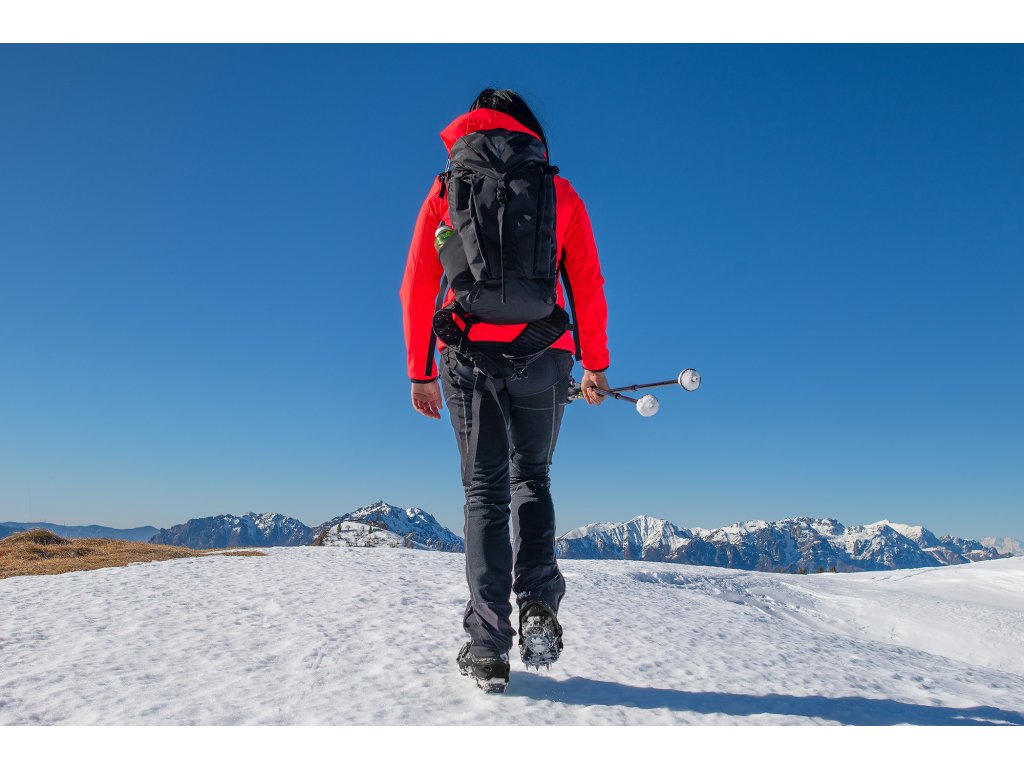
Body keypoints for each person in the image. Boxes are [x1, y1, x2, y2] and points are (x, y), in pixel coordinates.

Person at [400, 88, 610, 692]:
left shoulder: (446, 190)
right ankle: (538, 601)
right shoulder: (557, 190)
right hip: (546, 353)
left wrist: (420, 370)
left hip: (467, 356)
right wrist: (595, 364)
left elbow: (418, 282)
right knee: (532, 479)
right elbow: (586, 281)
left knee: (484, 494)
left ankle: (488, 645)